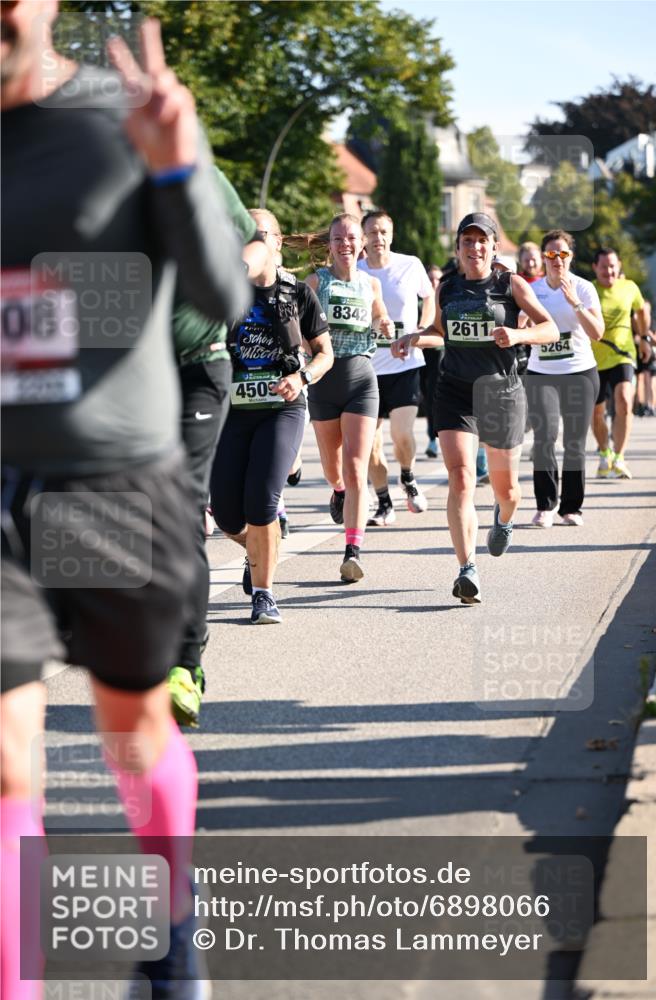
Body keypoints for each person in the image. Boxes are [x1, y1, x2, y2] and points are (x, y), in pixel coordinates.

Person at [1, 7, 249, 999]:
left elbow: (226, 297)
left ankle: (175, 934)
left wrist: (177, 169)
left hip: (108, 479)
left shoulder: (125, 113)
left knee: (134, 731)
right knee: (8, 765)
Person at [392, 213, 558, 604]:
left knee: (509, 490)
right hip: (456, 391)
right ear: (459, 249)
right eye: (467, 241)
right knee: (462, 478)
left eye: (482, 240)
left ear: (494, 247)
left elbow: (549, 329)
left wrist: (518, 334)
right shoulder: (447, 289)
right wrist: (415, 338)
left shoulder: (510, 285)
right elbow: (439, 334)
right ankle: (467, 568)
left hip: (501, 394)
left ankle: (504, 518)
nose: (475, 247)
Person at [167, 169, 269, 727]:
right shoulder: (65, 168)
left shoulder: (188, 167)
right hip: (123, 370)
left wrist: (235, 271)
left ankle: (186, 662)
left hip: (199, 365)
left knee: (182, 505)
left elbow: (253, 240)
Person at [209, 209, 333, 623]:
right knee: (227, 514)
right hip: (233, 412)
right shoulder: (225, 292)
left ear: (277, 243)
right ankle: (261, 550)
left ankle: (264, 593)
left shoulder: (298, 293)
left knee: (261, 503)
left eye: (258, 234)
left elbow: (324, 354)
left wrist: (303, 377)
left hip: (282, 409)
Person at [305, 214, 393, 582]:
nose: (345, 244)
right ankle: (338, 491)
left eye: (351, 238)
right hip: (324, 380)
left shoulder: (371, 284)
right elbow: (297, 328)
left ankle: (352, 551)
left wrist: (384, 325)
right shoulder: (314, 283)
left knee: (357, 466)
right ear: (330, 245)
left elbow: (380, 317)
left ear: (362, 244)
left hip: (360, 378)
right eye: (338, 238)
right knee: (333, 468)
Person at [358, 211, 435, 525]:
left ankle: (408, 475)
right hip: (366, 369)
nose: (378, 238)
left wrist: (421, 328)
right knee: (370, 445)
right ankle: (384, 502)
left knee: (401, 434)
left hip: (405, 365)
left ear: (392, 234)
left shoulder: (410, 264)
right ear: (363, 237)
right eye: (372, 232)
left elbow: (429, 298)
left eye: (383, 232)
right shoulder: (356, 271)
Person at [525, 230, 603, 527]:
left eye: (563, 254)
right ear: (544, 258)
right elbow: (522, 323)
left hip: (579, 371)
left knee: (574, 441)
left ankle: (571, 507)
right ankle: (545, 504)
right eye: (551, 254)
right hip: (541, 372)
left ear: (571, 257)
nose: (557, 260)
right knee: (544, 437)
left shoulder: (583, 289)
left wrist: (575, 303)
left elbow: (597, 332)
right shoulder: (533, 289)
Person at [591, 247, 648, 479]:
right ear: (595, 267)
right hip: (593, 359)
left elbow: (642, 311)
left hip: (623, 354)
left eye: (613, 265)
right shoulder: (588, 290)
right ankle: (605, 453)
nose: (609, 270)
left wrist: (644, 338)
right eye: (604, 266)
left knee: (624, 400)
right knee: (596, 412)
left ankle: (620, 456)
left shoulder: (630, 287)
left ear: (619, 265)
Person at [424, 263, 445, 458]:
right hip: (422, 358)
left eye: (437, 278)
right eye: (430, 279)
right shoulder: (421, 301)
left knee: (436, 397)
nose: (434, 282)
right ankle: (432, 436)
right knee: (428, 398)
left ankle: (434, 439)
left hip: (441, 355)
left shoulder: (446, 297)